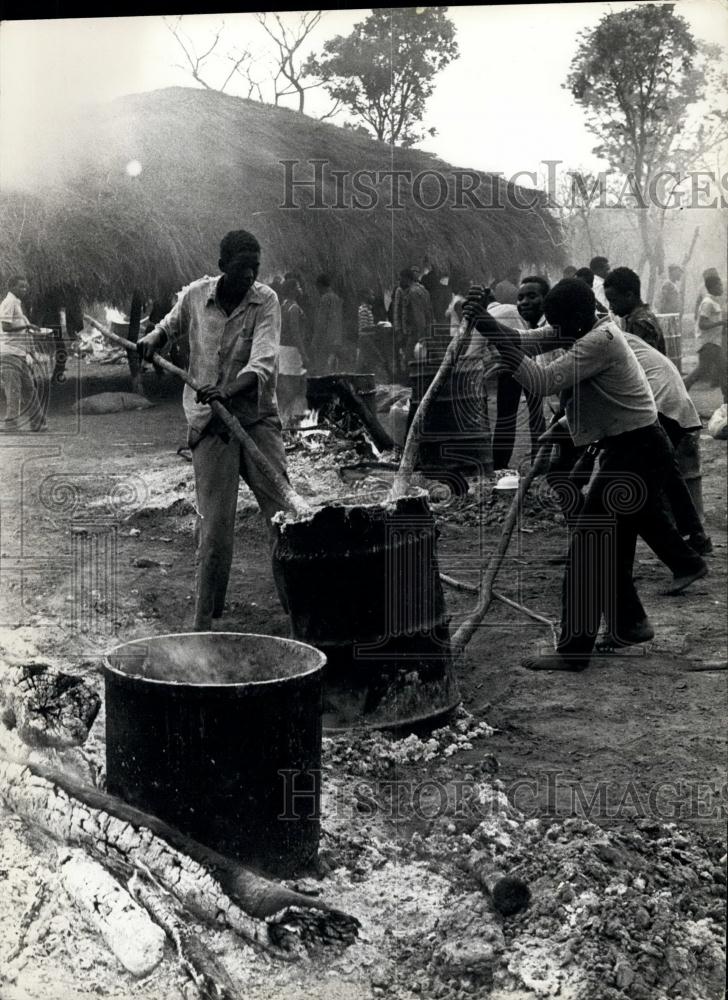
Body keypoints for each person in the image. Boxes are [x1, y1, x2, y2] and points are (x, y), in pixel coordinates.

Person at [464, 278, 708, 672]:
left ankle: (574, 649)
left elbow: (541, 381)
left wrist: (495, 338)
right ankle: (630, 624)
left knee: (590, 545)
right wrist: (483, 322)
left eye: (561, 328)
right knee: (608, 546)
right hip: (628, 448)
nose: (555, 334)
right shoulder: (582, 324)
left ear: (579, 318)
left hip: (639, 450)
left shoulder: (602, 340)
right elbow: (527, 341)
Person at [137, 229, 289, 631]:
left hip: (256, 420)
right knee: (216, 532)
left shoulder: (266, 301)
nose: (250, 276)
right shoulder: (195, 295)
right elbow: (170, 324)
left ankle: (299, 612)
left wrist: (227, 390)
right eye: (242, 268)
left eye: (255, 268)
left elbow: (264, 362)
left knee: (285, 519)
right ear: (222, 266)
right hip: (210, 426)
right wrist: (153, 338)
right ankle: (205, 624)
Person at [623, 330, 712, 556]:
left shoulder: (600, 342)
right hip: (667, 401)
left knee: (640, 483)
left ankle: (683, 554)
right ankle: (695, 537)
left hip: (660, 404)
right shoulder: (615, 335)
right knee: (667, 475)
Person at [490, 275, 549, 468]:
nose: (524, 302)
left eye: (532, 296)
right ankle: (499, 468)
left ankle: (539, 468)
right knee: (506, 418)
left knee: (538, 417)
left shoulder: (552, 326)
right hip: (515, 366)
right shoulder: (516, 317)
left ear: (546, 299)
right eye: (521, 297)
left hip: (541, 372)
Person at [0, 274, 47, 432]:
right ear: (12, 287)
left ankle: (38, 423)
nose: (25, 289)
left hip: (19, 353)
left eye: (26, 287)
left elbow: (25, 335)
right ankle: (11, 425)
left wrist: (33, 354)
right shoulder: (9, 302)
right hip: (9, 353)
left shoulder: (18, 305)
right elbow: (6, 327)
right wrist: (26, 327)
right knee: (14, 390)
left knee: (29, 389)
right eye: (21, 286)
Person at [603, 266, 666, 354]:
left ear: (629, 295)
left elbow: (642, 361)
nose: (610, 307)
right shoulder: (639, 317)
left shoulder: (640, 323)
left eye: (613, 301)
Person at [684, 273, 727, 402]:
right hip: (708, 344)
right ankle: (681, 388)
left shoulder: (713, 302)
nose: (722, 288)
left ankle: (727, 400)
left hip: (714, 343)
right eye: (719, 285)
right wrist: (721, 323)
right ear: (713, 287)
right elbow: (702, 324)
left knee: (722, 369)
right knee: (702, 371)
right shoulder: (708, 303)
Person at [278, 278, 309, 425]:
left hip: (282, 349)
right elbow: (296, 333)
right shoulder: (294, 308)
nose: (300, 288)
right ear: (292, 290)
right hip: (292, 351)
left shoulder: (283, 305)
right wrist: (303, 354)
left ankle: (285, 416)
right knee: (293, 387)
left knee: (286, 385)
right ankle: (287, 417)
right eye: (298, 286)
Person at [392, 267, 433, 369]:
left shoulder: (412, 292)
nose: (400, 281)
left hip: (416, 332)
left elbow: (418, 315)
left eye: (401, 278)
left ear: (406, 278)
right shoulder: (423, 290)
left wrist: (421, 335)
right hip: (425, 330)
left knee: (409, 359)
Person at [311, 274, 343, 374]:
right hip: (336, 338)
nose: (318, 291)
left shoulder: (325, 298)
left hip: (326, 339)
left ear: (321, 285)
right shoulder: (336, 298)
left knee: (323, 367)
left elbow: (321, 321)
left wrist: (315, 340)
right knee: (333, 366)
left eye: (318, 288)